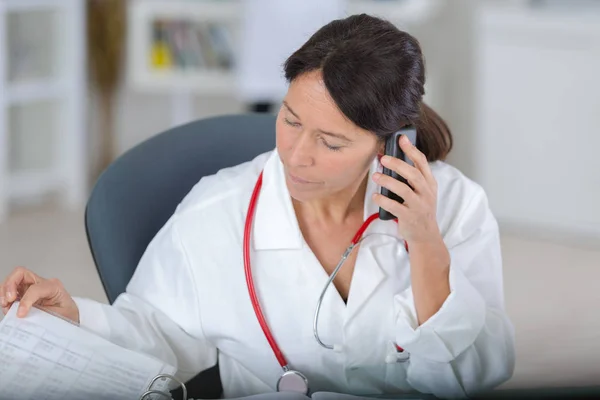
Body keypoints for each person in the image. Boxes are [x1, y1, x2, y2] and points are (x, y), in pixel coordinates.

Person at [0, 14, 515, 399]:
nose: (297, 154)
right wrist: (75, 321)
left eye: (331, 143)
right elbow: (156, 334)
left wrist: (426, 245)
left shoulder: (456, 208)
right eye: (290, 120)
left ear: (391, 144)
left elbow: (475, 375)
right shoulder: (217, 211)